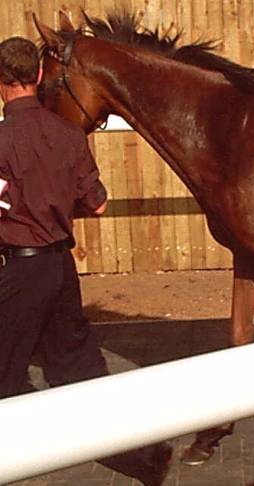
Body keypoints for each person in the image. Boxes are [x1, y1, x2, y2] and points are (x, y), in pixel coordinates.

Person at [0, 36, 171, 485]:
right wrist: (52, 205)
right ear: (39, 75)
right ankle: (144, 453)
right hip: (61, 268)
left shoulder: (1, 141)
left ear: (0, 81)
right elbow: (98, 204)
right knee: (80, 369)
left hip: (20, 270)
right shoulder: (68, 135)